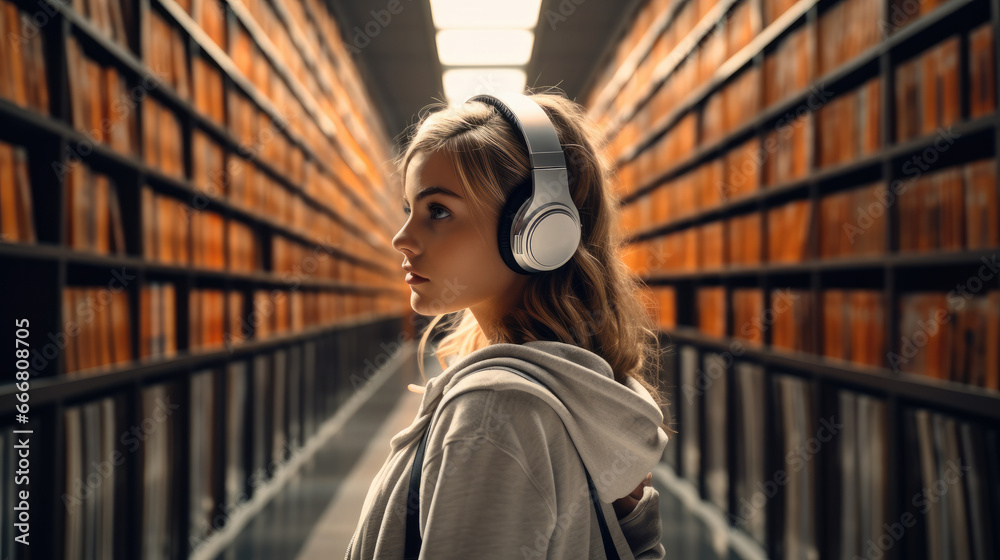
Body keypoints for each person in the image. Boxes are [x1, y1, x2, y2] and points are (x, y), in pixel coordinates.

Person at [346, 90, 673, 559]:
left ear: (538, 230)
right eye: (408, 210)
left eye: (438, 210)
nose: (403, 239)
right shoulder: (580, 390)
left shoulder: (496, 412)